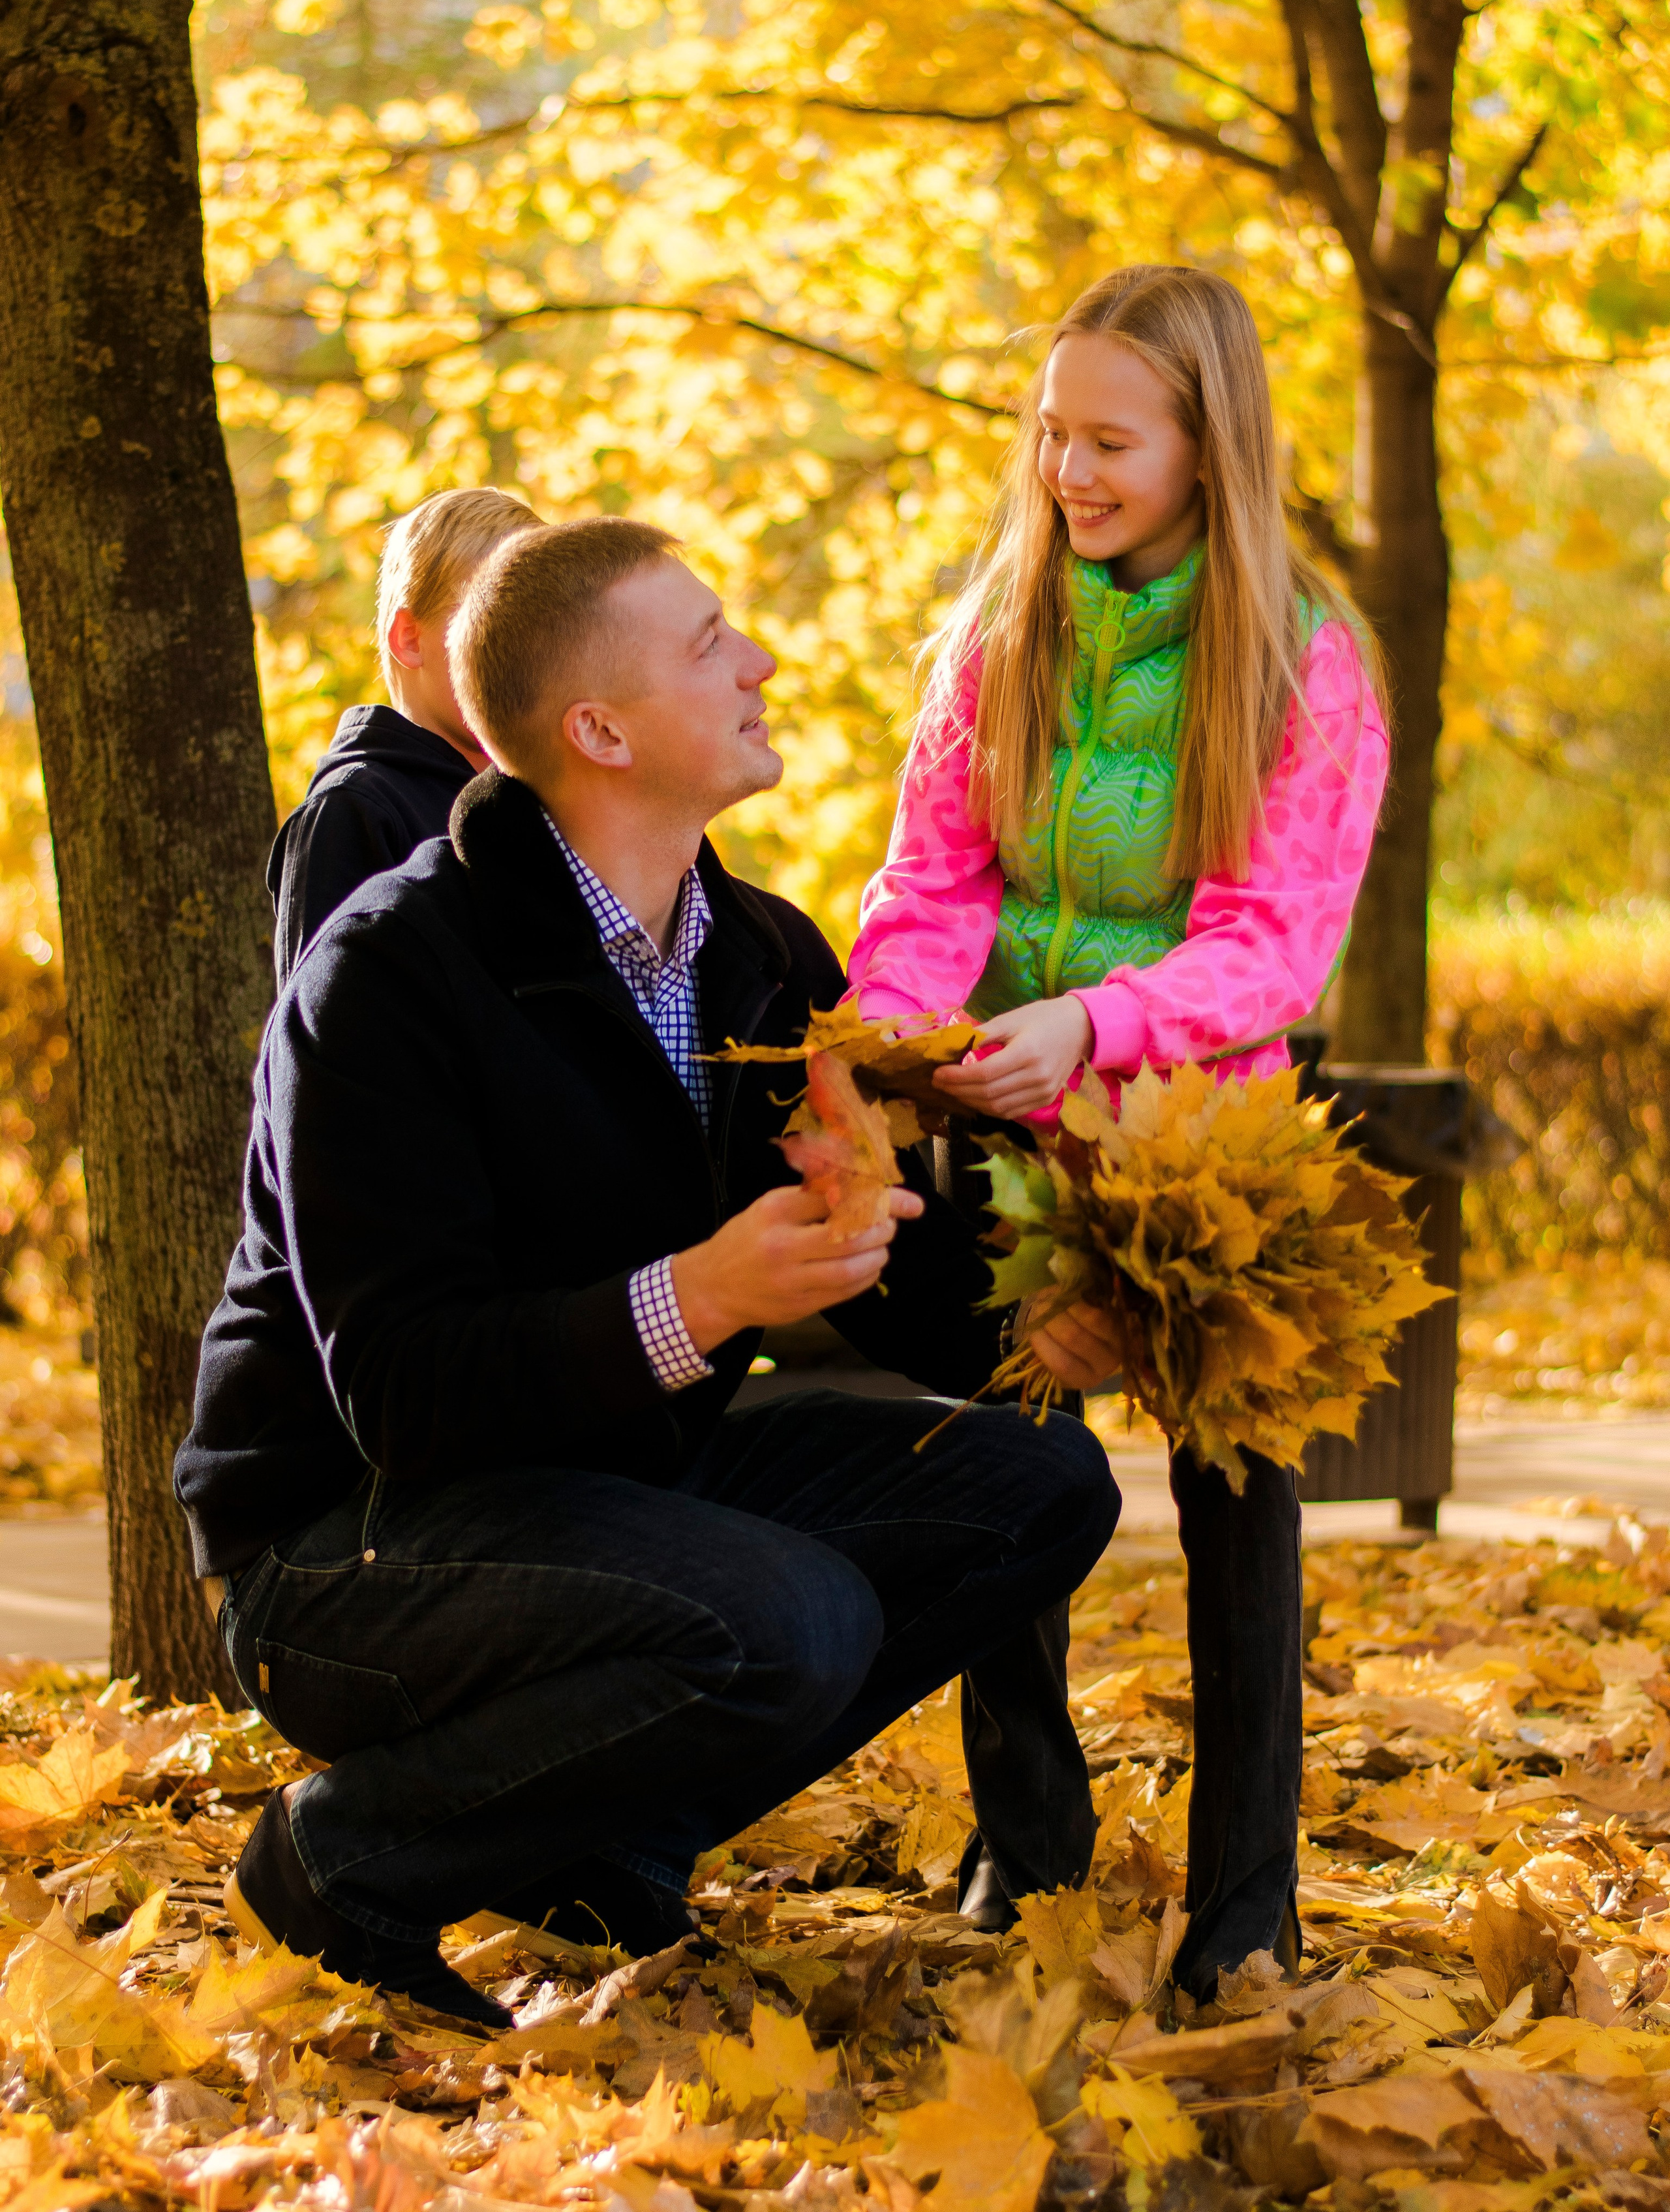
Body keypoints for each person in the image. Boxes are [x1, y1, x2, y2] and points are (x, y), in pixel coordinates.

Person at [176, 515, 1125, 2029]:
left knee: (1031, 1489)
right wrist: (705, 1294)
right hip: (338, 1545)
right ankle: (342, 1860)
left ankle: (593, 1837)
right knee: (790, 1616)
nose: (759, 658)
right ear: (598, 727)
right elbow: (402, 1395)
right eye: (708, 641)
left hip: (606, 1495)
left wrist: (1045, 1309)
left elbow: (883, 1271)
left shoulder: (755, 955)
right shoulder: (391, 970)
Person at [846, 264, 1390, 2001]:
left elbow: (1274, 943)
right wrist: (903, 1034)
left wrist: (1086, 1027)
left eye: (1108, 440)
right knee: (1003, 1474)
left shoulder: (1307, 657)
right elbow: (934, 883)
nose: (1067, 471)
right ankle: (1030, 1834)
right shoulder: (998, 635)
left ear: (1206, 448)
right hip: (996, 1120)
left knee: (1239, 1507)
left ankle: (1247, 1894)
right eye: (1051, 432)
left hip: (1200, 1146)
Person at [267, 487, 543, 983]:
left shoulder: (547, 799)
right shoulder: (354, 811)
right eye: (494, 619)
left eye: (540, 623)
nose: (524, 649)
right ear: (409, 640)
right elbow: (327, 1034)